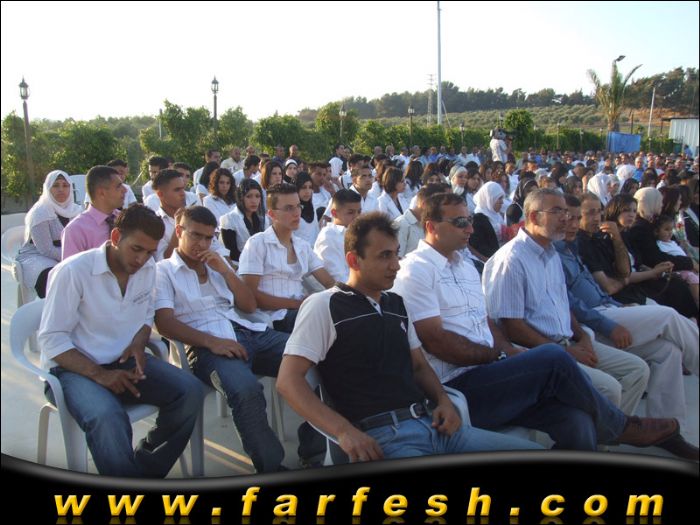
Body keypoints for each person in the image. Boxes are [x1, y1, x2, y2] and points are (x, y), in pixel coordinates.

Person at [392, 192, 677, 453]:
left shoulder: (464, 266)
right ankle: (623, 427)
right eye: (460, 222)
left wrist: (510, 353)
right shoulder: (416, 271)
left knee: (577, 422)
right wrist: (498, 355)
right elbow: (437, 341)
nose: (470, 229)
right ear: (431, 227)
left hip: (490, 373)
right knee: (553, 357)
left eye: (469, 221)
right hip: (457, 387)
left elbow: (485, 321)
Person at [277, 212, 542, 464]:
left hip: (434, 426)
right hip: (383, 438)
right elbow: (288, 381)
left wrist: (443, 400)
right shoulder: (325, 305)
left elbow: (418, 366)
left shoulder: (396, 304)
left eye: (396, 253)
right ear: (354, 260)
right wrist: (343, 431)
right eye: (384, 256)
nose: (396, 265)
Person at [38, 204, 204, 477]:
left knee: (190, 392)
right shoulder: (73, 272)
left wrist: (139, 341)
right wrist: (100, 374)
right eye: (136, 249)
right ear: (115, 237)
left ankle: (143, 471)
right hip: (71, 370)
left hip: (123, 361)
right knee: (107, 417)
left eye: (149, 252)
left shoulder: (147, 268)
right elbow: (51, 339)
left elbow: (146, 313)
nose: (142, 259)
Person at [555, 195, 698, 459]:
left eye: (596, 212)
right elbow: (575, 304)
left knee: (668, 350)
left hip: (610, 309)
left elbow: (612, 283)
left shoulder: (574, 247)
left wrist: (617, 240)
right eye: (572, 217)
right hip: (595, 324)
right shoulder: (557, 253)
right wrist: (611, 324)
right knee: (668, 315)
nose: (573, 223)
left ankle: (667, 429)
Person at [483, 189, 651, 414]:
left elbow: (562, 304)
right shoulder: (511, 260)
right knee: (609, 388)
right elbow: (512, 327)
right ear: (534, 217)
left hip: (568, 341)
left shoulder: (551, 253)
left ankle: (614, 430)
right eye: (557, 212)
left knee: (637, 369)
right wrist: (567, 352)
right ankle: (609, 431)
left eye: (566, 212)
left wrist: (582, 337)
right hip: (540, 352)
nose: (565, 218)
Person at [154, 206, 290, 472]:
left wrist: (226, 271)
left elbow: (249, 306)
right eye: (196, 236)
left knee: (309, 354)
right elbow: (165, 324)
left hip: (247, 331)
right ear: (179, 231)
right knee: (246, 390)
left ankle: (317, 447)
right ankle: (271, 469)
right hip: (206, 346)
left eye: (209, 237)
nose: (203, 244)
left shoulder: (216, 264)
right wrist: (212, 342)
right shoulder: (163, 271)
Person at [238, 183, 335, 333]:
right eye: (289, 208)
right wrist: (297, 304)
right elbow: (250, 293)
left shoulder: (302, 246)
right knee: (327, 322)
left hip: (299, 311)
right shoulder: (257, 243)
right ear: (272, 214)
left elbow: (328, 281)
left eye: (298, 206)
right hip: (272, 317)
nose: (296, 213)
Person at [16, 170, 82, 297]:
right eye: (56, 185)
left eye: (65, 185)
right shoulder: (40, 212)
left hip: (68, 254)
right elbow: (46, 249)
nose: (61, 189)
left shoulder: (76, 211)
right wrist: (73, 257)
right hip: (38, 256)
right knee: (53, 277)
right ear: (48, 188)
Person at [62, 165, 126, 259]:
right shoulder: (76, 230)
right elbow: (71, 267)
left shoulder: (125, 220)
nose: (125, 190)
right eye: (118, 186)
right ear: (102, 193)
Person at [313, 189, 362, 282]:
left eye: (359, 212)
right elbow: (337, 277)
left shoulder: (358, 232)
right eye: (350, 212)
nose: (357, 217)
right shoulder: (328, 237)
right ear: (334, 213)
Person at [219, 179, 269, 262]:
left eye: (257, 196)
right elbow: (232, 253)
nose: (254, 201)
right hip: (239, 264)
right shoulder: (229, 219)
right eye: (249, 196)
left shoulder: (263, 219)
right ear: (241, 198)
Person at [655, 214, 699, 306]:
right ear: (657, 231)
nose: (670, 232)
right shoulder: (659, 244)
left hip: (688, 267)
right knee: (693, 278)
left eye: (671, 229)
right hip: (679, 271)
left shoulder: (672, 242)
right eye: (666, 229)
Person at [152, 169, 187, 261]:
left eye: (183, 188)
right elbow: (164, 260)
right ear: (160, 194)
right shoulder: (153, 224)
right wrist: (179, 225)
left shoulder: (193, 215)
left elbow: (217, 249)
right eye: (177, 190)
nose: (183, 194)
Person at [469, 181, 507, 259]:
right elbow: (479, 247)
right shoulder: (478, 219)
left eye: (502, 198)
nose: (502, 202)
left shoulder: (497, 215)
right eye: (499, 198)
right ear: (489, 198)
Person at [295, 172, 320, 246]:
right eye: (303, 187)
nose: (307, 191)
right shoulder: (290, 210)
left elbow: (316, 231)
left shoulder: (312, 207)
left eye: (310, 187)